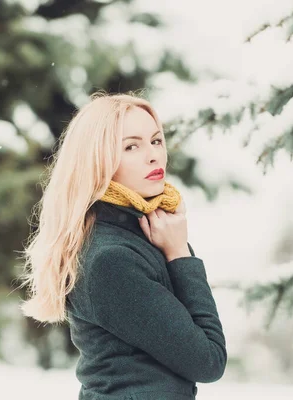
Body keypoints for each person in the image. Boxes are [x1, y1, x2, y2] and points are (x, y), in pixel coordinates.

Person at [18, 90, 226, 399]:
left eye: (156, 140)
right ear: (98, 161)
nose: (154, 155)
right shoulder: (111, 258)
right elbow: (208, 360)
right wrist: (180, 254)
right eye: (131, 146)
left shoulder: (139, 232)